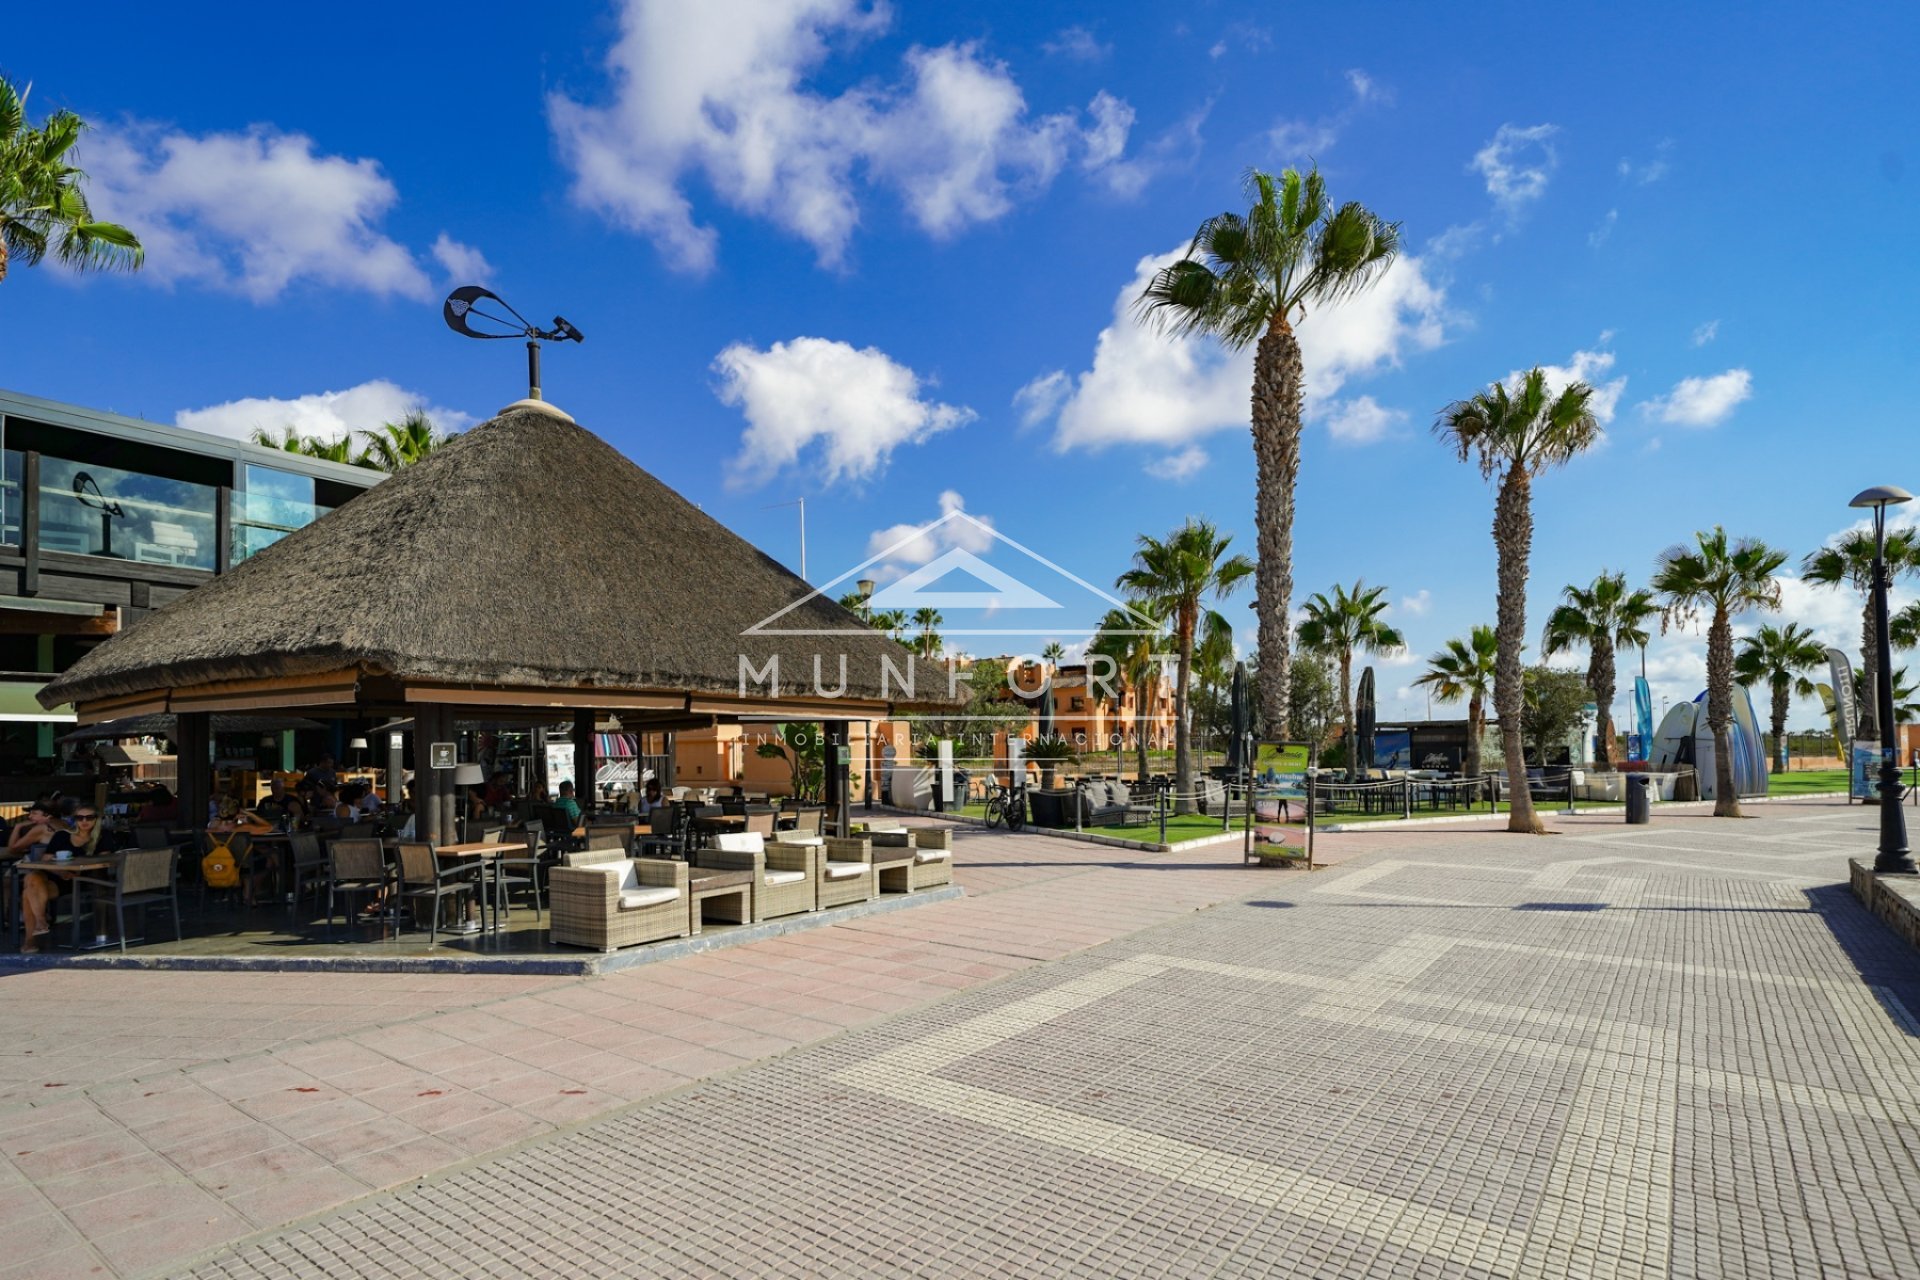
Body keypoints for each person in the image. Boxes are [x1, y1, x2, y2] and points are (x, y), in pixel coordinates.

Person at [20, 806, 101, 952]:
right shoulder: (62, 835)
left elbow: (104, 860)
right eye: (79, 818)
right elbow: (45, 860)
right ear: (73, 820)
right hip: (56, 877)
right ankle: (40, 922)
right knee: (32, 877)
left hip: (81, 880)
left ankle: (31, 938)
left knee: (28, 893)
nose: (84, 821)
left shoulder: (101, 837)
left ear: (96, 819)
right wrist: (61, 873)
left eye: (89, 817)